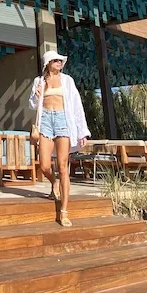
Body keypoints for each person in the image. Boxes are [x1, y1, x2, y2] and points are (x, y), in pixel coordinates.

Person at [29, 49, 90, 227]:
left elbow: (76, 105)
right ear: (48, 63)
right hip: (46, 121)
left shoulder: (67, 81)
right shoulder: (39, 81)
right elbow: (32, 104)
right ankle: (53, 182)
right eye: (56, 61)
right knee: (44, 164)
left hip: (63, 120)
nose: (59, 63)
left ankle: (64, 211)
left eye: (60, 61)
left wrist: (82, 131)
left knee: (63, 166)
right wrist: (36, 95)